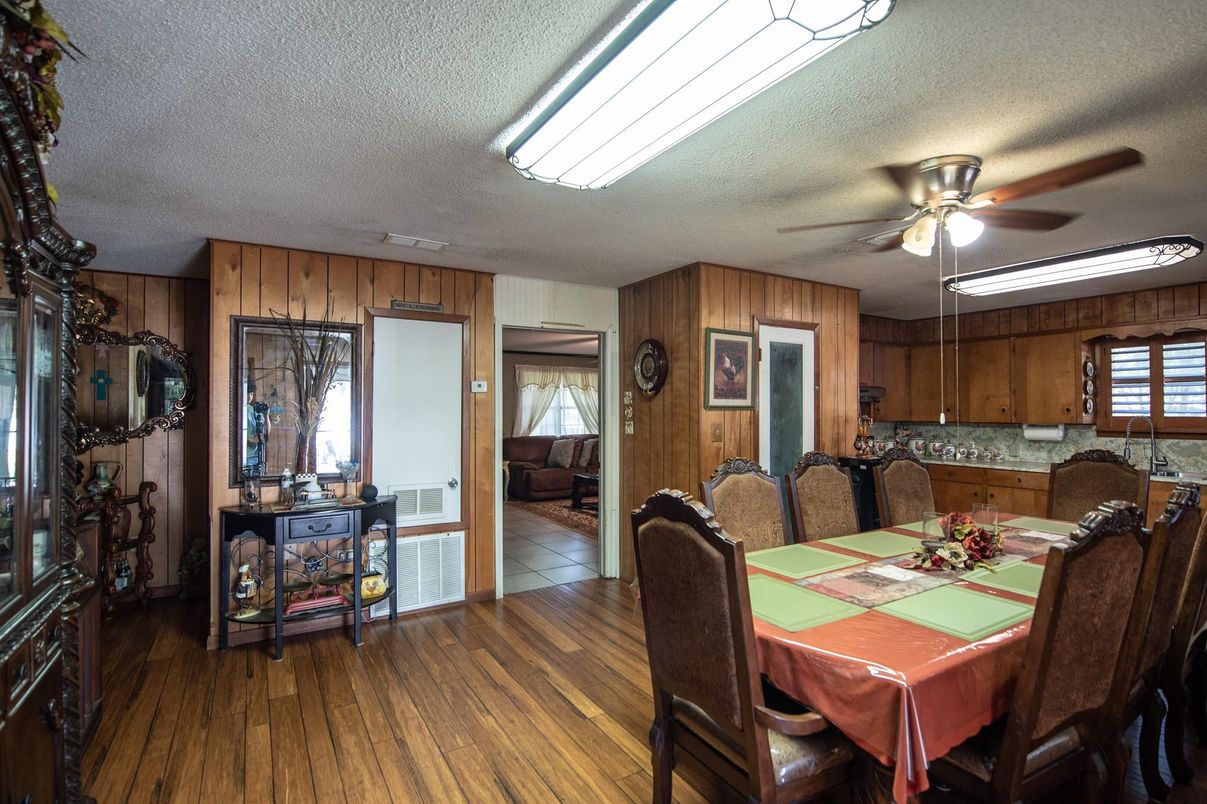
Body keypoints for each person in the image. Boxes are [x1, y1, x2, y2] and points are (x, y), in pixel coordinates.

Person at [246, 381, 270, 474]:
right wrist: (251, 439)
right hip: (246, 455)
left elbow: (267, 432)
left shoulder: (254, 410)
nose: (249, 397)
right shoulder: (241, 410)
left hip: (256, 455)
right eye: (247, 394)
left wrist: (266, 415)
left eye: (251, 394)